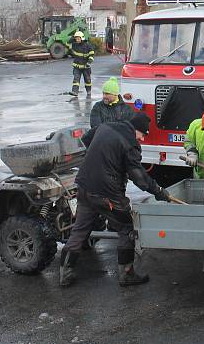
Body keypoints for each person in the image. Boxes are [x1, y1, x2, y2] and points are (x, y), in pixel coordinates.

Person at [60, 113, 170, 287]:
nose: (142, 139)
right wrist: (158, 191)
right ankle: (126, 274)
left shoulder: (106, 127)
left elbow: (87, 138)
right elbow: (139, 178)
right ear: (137, 130)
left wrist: (101, 156)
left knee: (79, 230)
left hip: (84, 186)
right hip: (107, 194)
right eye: (143, 135)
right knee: (127, 228)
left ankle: (65, 273)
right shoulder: (130, 144)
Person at [70, 31, 95, 97]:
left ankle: (88, 91)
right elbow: (67, 43)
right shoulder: (74, 45)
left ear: (82, 38)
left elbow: (91, 55)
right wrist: (73, 37)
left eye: (78, 38)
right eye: (76, 38)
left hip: (86, 67)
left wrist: (89, 62)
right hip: (77, 66)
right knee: (76, 79)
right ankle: (75, 91)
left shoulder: (88, 46)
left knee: (87, 79)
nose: (77, 40)